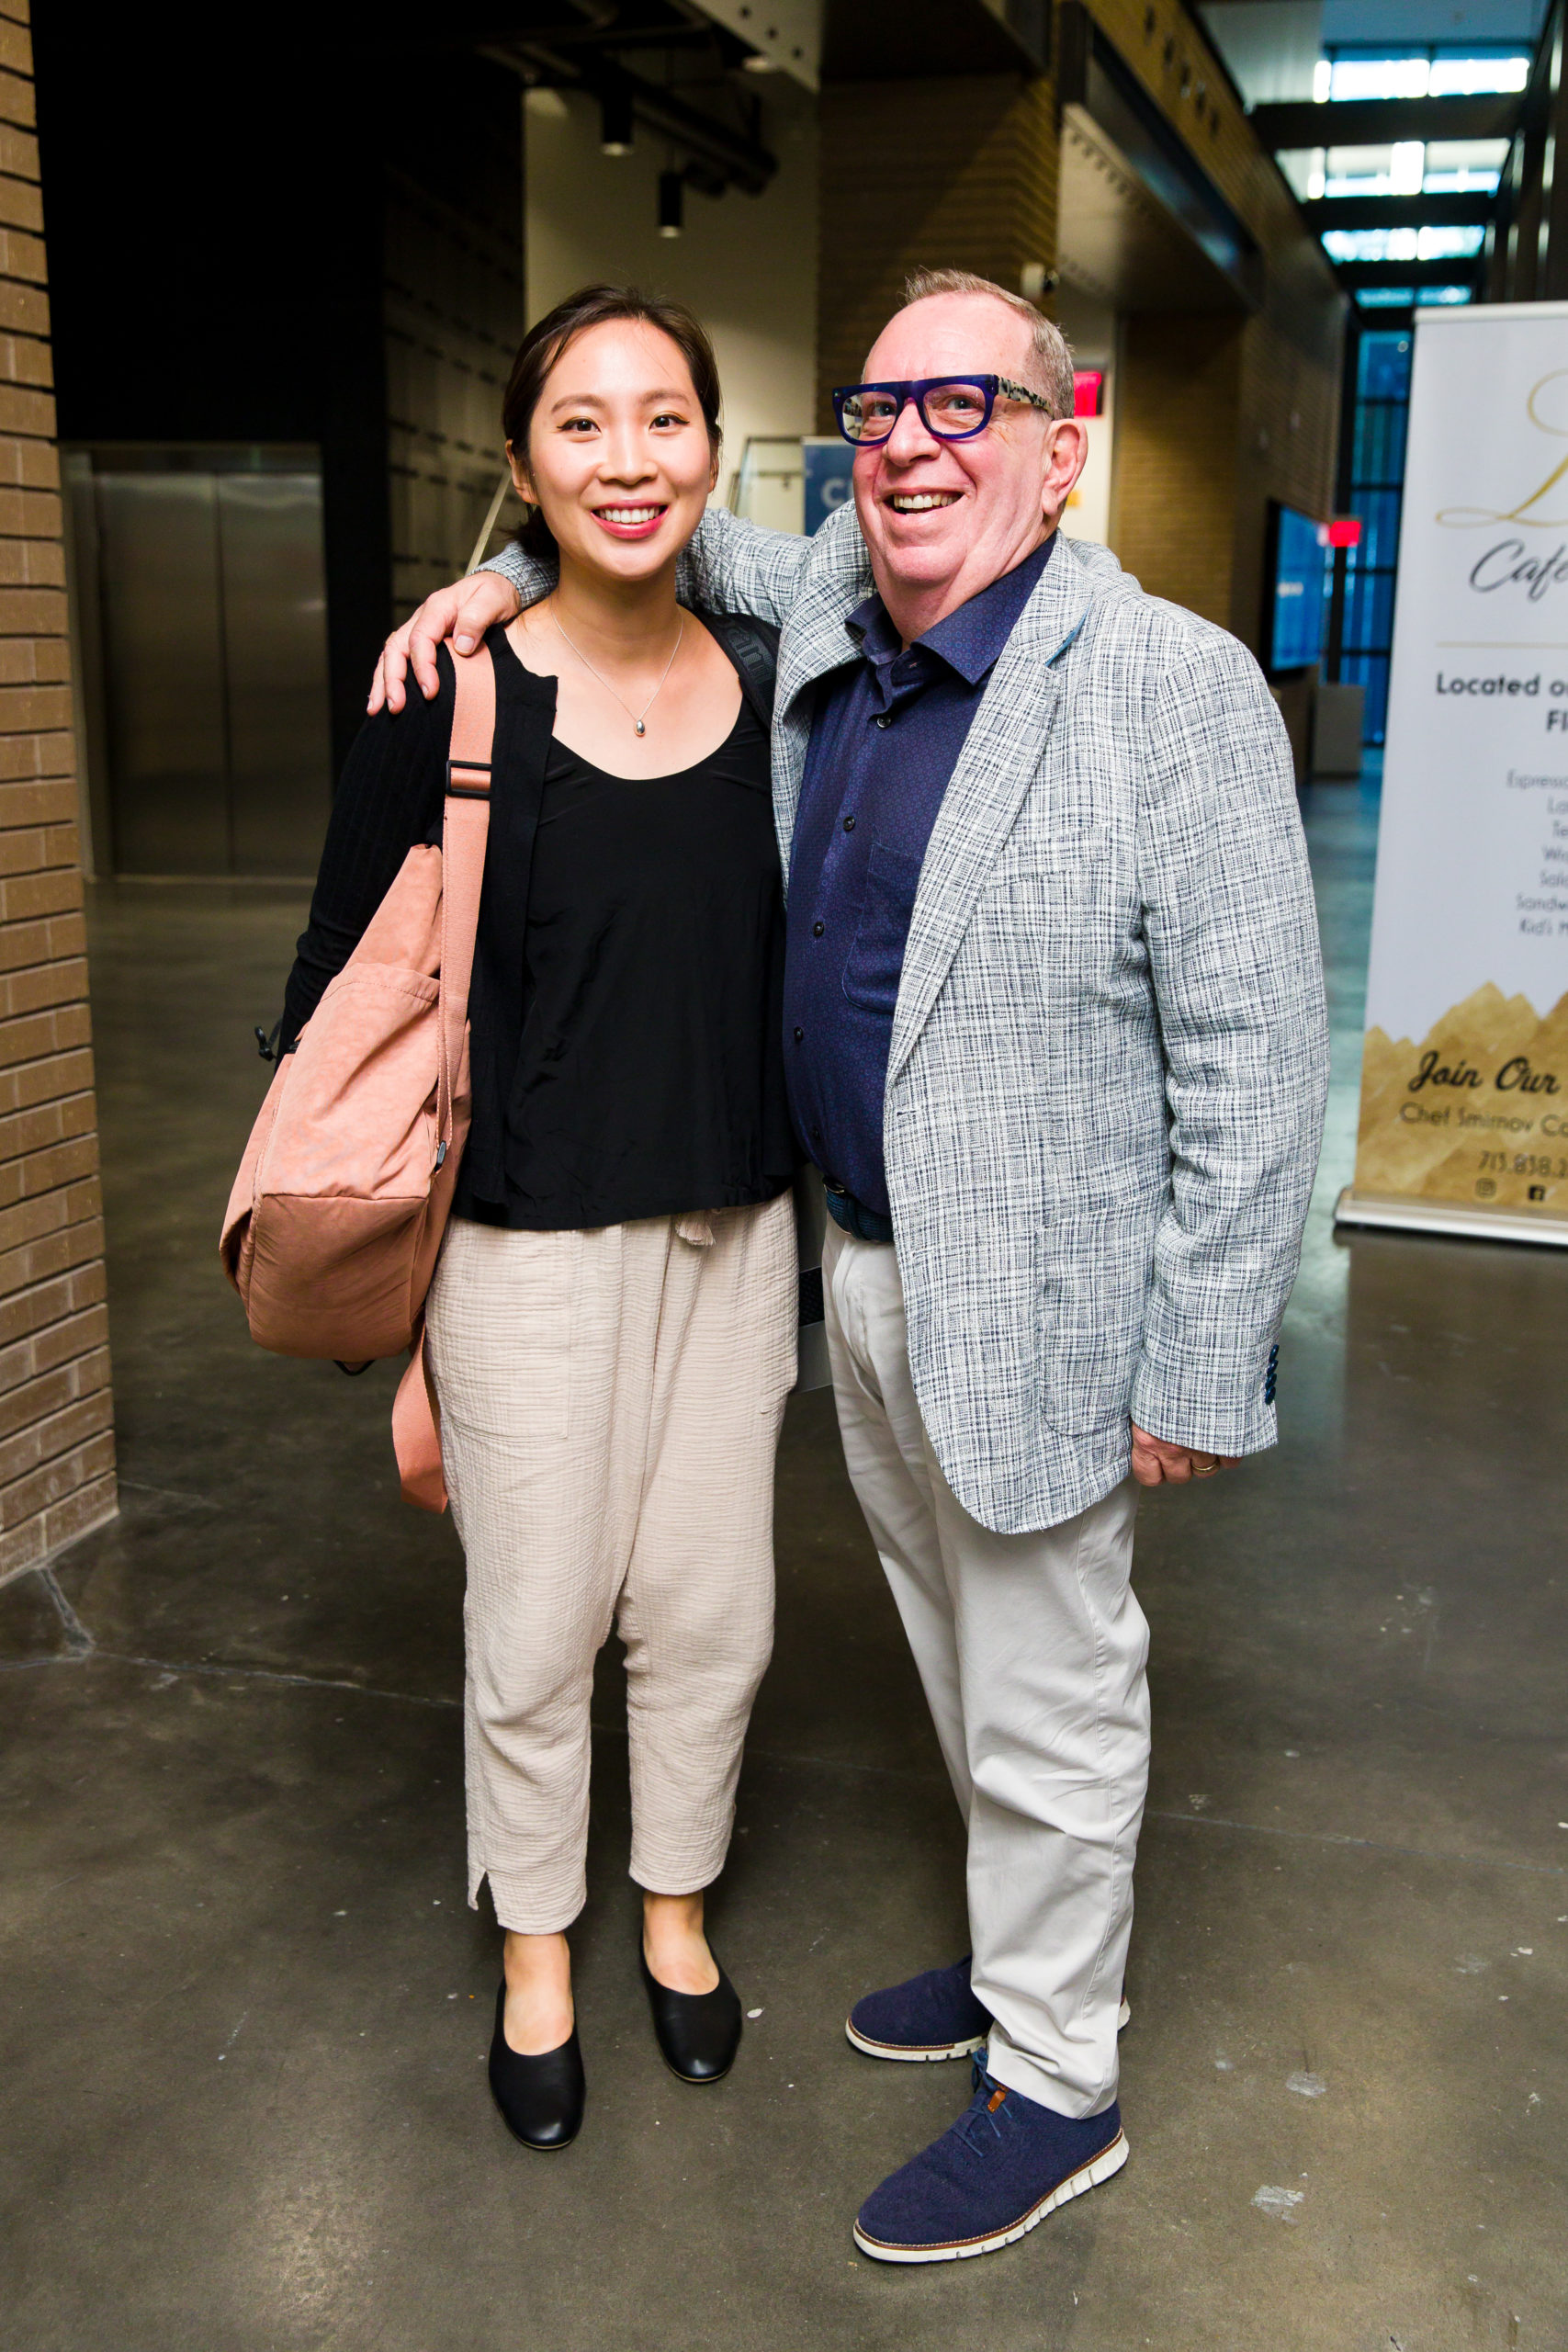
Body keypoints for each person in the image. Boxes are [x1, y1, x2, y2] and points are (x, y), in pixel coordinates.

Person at [371, 266, 1328, 2257]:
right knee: (957, 1655)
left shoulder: (1169, 686)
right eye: (878, 409)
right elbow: (653, 514)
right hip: (854, 1268)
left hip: (1051, 1304)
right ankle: (1009, 1963)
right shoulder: (828, 607)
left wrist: (1195, 1359)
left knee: (1055, 1689)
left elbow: (1253, 1060)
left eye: (963, 406)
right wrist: (483, 585)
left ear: (1058, 452)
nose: (909, 442)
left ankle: (1057, 2078)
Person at [284, 285, 802, 2154]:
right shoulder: (452, 696)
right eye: (578, 424)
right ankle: (539, 1950)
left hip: (736, 1235)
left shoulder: (778, 687)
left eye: (662, 417)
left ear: (712, 451)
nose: (626, 458)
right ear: (520, 466)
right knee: (534, 1625)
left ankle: (672, 1910)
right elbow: (333, 987)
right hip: (516, 1243)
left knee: (712, 1614)